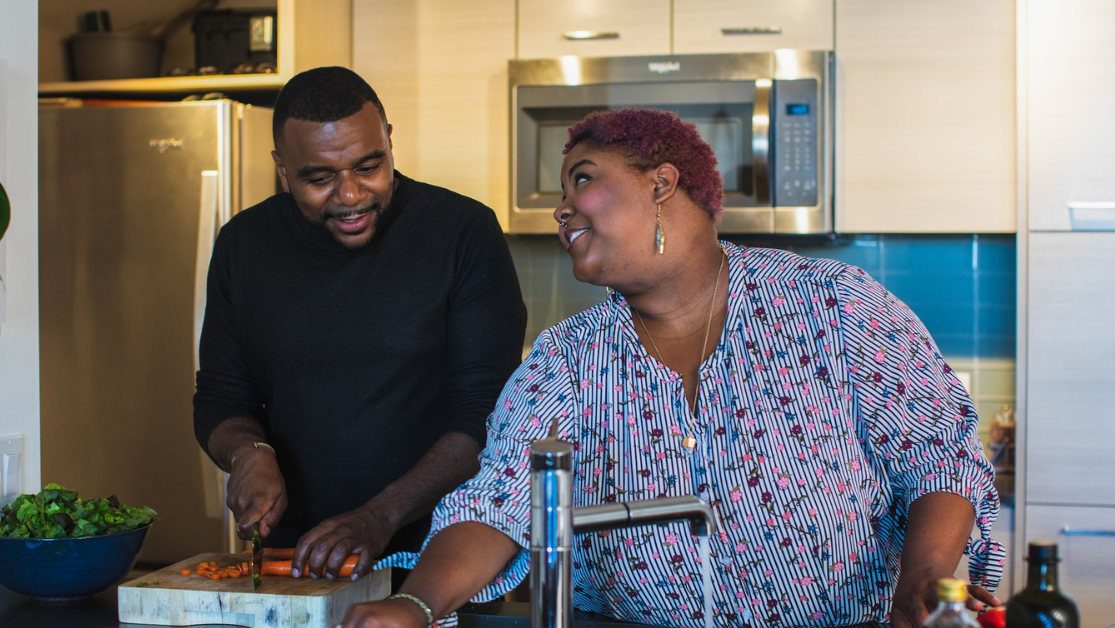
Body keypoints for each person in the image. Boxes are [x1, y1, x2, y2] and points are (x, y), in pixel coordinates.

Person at [343, 108, 1005, 628]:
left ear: (662, 182)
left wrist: (926, 579)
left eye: (583, 178)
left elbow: (937, 456)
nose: (561, 207)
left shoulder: (836, 305)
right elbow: (500, 504)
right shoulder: (567, 360)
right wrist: (418, 606)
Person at [193, 66, 527, 580]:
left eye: (369, 166)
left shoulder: (461, 232)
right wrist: (246, 453)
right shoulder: (245, 245)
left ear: (390, 142)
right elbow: (221, 394)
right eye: (320, 178)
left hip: (441, 561)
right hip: (296, 561)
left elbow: (488, 414)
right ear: (283, 170)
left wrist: (380, 516)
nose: (350, 195)